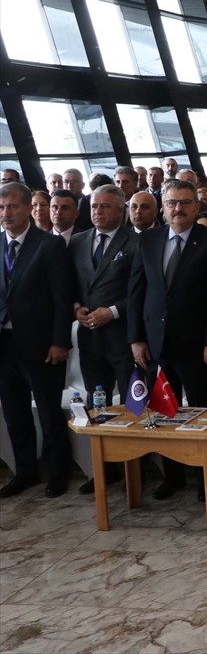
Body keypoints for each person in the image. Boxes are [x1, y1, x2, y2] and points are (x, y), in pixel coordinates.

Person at [127, 179, 207, 500]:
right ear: (163, 207)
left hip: (197, 346)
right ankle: (172, 476)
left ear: (196, 206)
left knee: (201, 412)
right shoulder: (148, 240)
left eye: (185, 202)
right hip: (156, 344)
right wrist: (136, 338)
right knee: (163, 412)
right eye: (172, 202)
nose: (178, 208)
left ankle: (204, 480)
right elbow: (136, 292)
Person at [0, 183, 73, 498]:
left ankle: (58, 472)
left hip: (42, 345)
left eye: (13, 206)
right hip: (4, 345)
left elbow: (62, 298)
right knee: (14, 413)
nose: (6, 213)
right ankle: (25, 471)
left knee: (48, 412)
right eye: (1, 207)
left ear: (29, 208)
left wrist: (60, 341)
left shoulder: (49, 245)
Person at [67, 185, 140, 494]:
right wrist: (76, 308)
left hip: (122, 336)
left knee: (131, 404)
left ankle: (134, 469)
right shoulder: (78, 241)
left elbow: (142, 291)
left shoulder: (136, 242)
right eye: (94, 206)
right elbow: (71, 284)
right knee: (97, 405)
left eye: (105, 206)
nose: (97, 211)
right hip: (91, 337)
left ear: (121, 210)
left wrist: (112, 311)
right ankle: (104, 469)